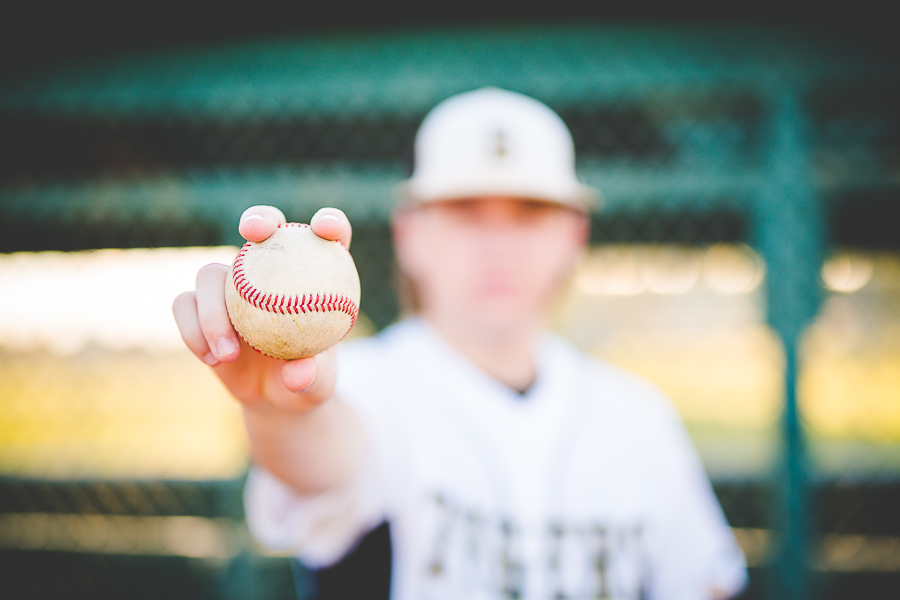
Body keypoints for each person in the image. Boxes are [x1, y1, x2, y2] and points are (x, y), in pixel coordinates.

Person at [173, 87, 747, 600]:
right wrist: (276, 411)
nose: (498, 243)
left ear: (575, 237)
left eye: (530, 212)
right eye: (466, 211)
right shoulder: (364, 380)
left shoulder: (639, 416)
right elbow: (319, 454)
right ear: (409, 234)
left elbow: (702, 581)